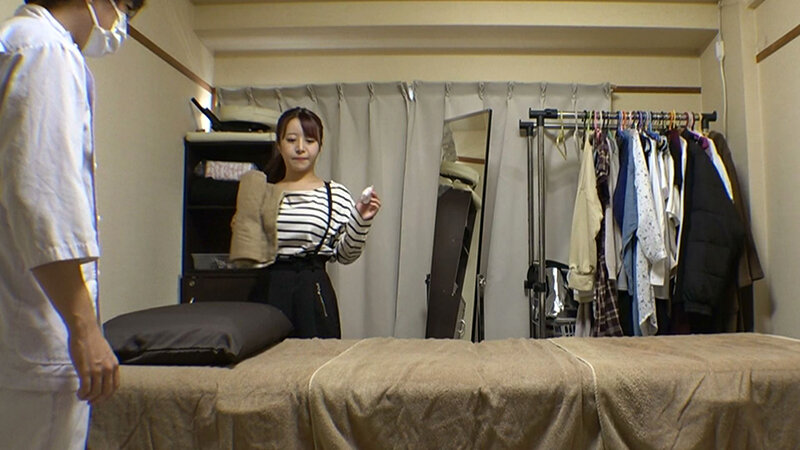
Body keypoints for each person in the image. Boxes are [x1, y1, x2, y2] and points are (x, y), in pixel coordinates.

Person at [0, 0, 145, 448]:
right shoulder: (47, 50)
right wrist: (85, 330)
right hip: (34, 333)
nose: (120, 25)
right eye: (125, 9)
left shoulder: (16, 39)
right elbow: (43, 200)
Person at [230, 107, 381, 338]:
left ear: (320, 146)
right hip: (268, 289)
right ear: (279, 145)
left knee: (318, 357)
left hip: (313, 289)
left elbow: (345, 255)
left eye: (309, 140)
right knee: (267, 357)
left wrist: (361, 219)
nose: (300, 147)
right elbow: (246, 249)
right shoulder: (262, 192)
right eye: (291, 140)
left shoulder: (335, 195)